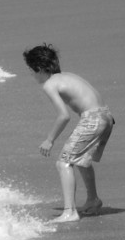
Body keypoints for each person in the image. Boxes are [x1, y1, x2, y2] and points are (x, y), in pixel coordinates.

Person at [23, 43, 115, 223]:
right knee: (81, 159)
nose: (32, 75)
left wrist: (49, 140)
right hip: (106, 116)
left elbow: (63, 116)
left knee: (63, 162)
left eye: (32, 70)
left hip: (92, 119)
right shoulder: (68, 76)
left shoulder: (50, 84)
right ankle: (93, 200)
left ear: (40, 68)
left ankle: (69, 211)